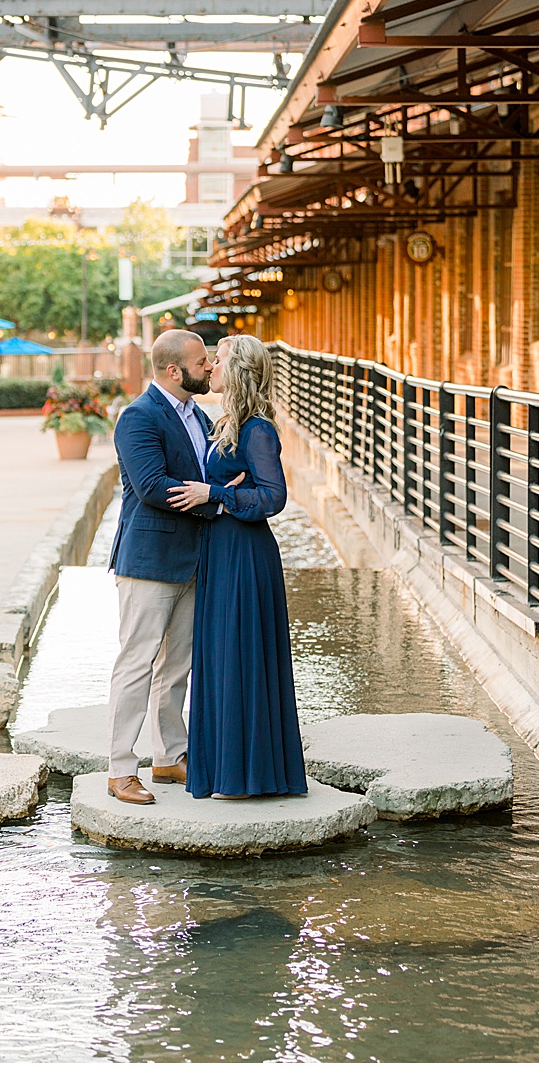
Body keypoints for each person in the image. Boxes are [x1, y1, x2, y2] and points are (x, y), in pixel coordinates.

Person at [168, 334, 307, 800]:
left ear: (241, 370)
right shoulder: (227, 422)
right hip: (220, 551)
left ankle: (252, 775)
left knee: (240, 656)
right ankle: (226, 770)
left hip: (246, 557)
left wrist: (219, 494)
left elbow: (274, 497)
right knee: (221, 656)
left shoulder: (258, 430)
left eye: (219, 361)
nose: (210, 368)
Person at [105, 329, 233, 806]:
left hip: (195, 560)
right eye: (202, 361)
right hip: (148, 562)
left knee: (177, 666)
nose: (208, 368)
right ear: (174, 370)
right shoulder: (138, 417)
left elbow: (205, 475)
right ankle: (120, 769)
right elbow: (153, 486)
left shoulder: (198, 414)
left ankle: (169, 757)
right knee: (136, 665)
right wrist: (217, 503)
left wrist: (220, 488)